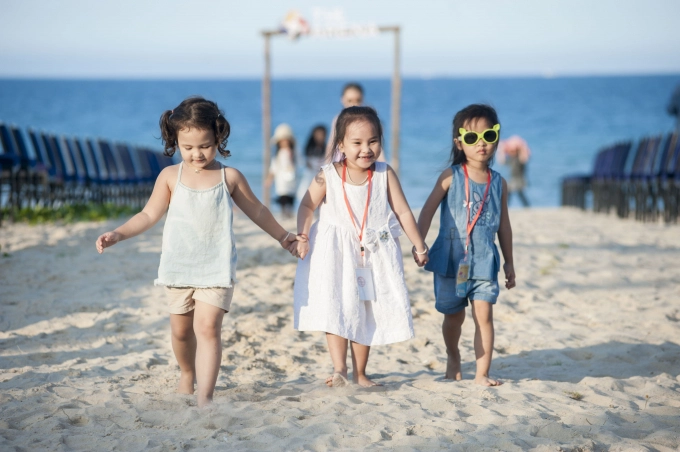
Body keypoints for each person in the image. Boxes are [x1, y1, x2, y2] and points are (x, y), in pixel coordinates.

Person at [95, 97, 297, 408]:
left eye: (204, 146)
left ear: (218, 138)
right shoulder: (169, 177)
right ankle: (186, 373)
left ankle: (205, 396)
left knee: (207, 328)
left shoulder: (229, 178)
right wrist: (118, 234)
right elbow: (148, 216)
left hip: (215, 269)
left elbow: (257, 210)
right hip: (178, 267)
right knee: (180, 333)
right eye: (187, 147)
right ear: (175, 141)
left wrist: (284, 237)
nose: (196, 154)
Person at [293, 106, 429, 388]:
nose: (366, 149)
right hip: (335, 253)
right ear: (340, 144)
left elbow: (403, 211)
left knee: (365, 311)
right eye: (356, 143)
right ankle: (340, 368)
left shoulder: (384, 173)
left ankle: (361, 372)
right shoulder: (327, 174)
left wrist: (419, 244)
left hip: (371, 255)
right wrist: (302, 235)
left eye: (373, 141)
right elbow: (307, 204)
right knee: (336, 307)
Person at [416, 104, 515, 387]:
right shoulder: (450, 177)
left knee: (484, 315)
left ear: (497, 137)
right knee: (453, 316)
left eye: (489, 136)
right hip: (451, 260)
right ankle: (453, 356)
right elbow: (427, 211)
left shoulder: (499, 183)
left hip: (484, 261)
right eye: (472, 138)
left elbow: (504, 227)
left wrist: (509, 262)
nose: (481, 144)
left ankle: (482, 373)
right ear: (459, 143)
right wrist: (419, 244)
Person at [326, 82, 386, 163]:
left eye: (358, 100)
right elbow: (331, 144)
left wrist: (383, 164)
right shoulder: (338, 120)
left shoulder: (370, 120)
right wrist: (326, 165)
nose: (353, 104)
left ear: (363, 99)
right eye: (349, 100)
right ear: (342, 99)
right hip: (341, 163)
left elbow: (378, 145)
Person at [265, 123, 297, 218]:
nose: (284, 143)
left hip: (292, 177)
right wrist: (269, 178)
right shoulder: (278, 154)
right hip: (281, 178)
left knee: (291, 195)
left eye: (286, 140)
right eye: (282, 141)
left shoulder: (293, 152)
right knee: (282, 195)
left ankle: (289, 211)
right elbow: (274, 167)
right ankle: (283, 212)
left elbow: (300, 161)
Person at [295, 124, 327, 207]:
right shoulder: (309, 149)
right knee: (307, 193)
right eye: (318, 134)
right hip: (310, 175)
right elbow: (302, 161)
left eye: (322, 134)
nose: (320, 137)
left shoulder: (326, 149)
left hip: (322, 175)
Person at [497, 135, 531, 207]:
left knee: (519, 193)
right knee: (511, 193)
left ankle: (527, 206)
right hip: (513, 179)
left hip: (519, 179)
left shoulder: (520, 159)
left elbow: (524, 158)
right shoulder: (511, 159)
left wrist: (522, 147)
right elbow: (502, 161)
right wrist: (501, 150)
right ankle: (506, 206)